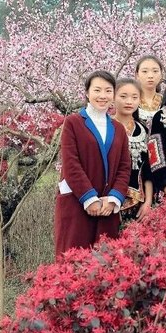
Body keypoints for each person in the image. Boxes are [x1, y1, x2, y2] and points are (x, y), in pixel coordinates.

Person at [54, 71, 130, 258]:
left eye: (108, 91)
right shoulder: (73, 123)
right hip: (77, 203)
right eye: (97, 90)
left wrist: (113, 199)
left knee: (105, 263)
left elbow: (124, 167)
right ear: (87, 93)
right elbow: (71, 163)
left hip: (107, 208)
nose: (102, 95)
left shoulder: (118, 128)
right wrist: (89, 198)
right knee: (73, 262)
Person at [112, 78, 155, 225]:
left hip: (139, 201)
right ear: (113, 97)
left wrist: (148, 201)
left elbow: (149, 168)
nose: (129, 101)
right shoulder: (106, 127)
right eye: (123, 96)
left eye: (134, 97)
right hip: (110, 199)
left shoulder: (145, 130)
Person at [134, 55, 165, 128]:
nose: (150, 76)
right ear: (137, 75)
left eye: (155, 71)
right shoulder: (130, 101)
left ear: (161, 74)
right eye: (145, 71)